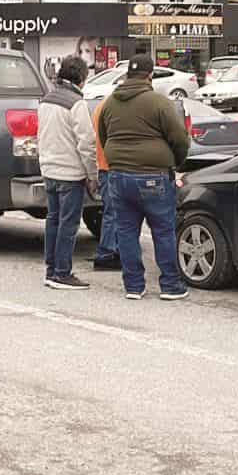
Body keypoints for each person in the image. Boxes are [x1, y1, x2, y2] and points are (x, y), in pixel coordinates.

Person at [96, 53, 191, 301]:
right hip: (153, 176)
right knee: (162, 230)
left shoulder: (110, 103)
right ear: (150, 75)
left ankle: (134, 286)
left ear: (127, 74)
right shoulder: (159, 102)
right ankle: (170, 285)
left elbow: (104, 136)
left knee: (126, 231)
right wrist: (175, 161)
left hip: (118, 175)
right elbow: (179, 138)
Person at [36, 56, 99, 290]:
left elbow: (41, 134)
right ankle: (62, 273)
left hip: (49, 170)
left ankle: (51, 269)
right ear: (82, 78)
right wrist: (92, 175)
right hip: (70, 173)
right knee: (68, 223)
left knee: (53, 220)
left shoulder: (46, 100)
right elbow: (87, 143)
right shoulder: (76, 103)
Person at [89, 98, 121, 271]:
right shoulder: (114, 107)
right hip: (111, 166)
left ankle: (112, 250)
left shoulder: (103, 105)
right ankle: (106, 253)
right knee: (113, 212)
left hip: (104, 165)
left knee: (112, 211)